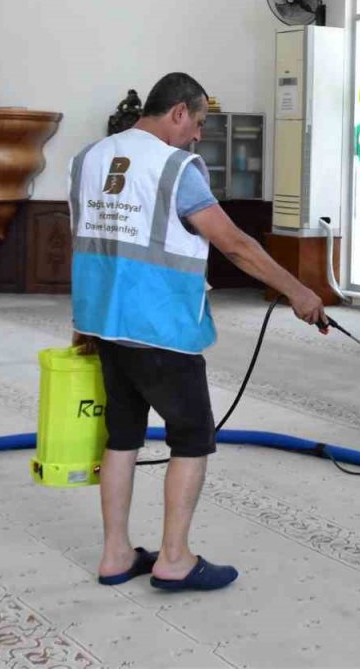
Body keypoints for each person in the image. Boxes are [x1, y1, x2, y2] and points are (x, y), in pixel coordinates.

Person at [69, 72, 327, 592]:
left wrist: (81, 323)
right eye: (200, 124)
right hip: (161, 325)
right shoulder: (174, 167)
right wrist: (297, 291)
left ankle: (116, 554)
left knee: (121, 437)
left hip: (105, 323)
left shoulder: (89, 158)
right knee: (191, 438)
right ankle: (174, 559)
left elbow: (87, 236)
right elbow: (233, 244)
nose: (198, 137)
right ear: (179, 112)